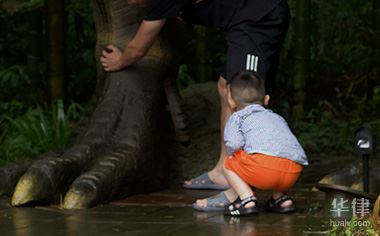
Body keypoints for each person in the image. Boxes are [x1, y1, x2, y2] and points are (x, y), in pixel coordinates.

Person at [100, 0, 291, 191]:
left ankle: (241, 184)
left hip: (259, 17)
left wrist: (120, 61)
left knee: (244, 95)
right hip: (248, 20)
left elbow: (138, 48)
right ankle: (223, 171)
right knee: (226, 87)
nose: (130, 3)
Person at [193, 71, 308, 215]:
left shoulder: (238, 117)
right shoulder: (276, 116)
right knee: (277, 154)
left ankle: (246, 199)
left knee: (228, 163)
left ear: (231, 101)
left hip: (264, 170)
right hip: (293, 171)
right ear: (266, 99)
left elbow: (233, 145)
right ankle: (282, 199)